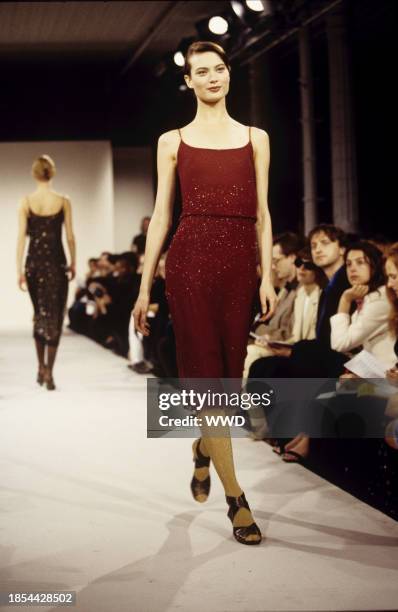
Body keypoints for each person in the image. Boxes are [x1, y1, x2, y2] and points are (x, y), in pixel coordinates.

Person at [133, 41, 276, 545]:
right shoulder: (172, 141)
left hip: (239, 265)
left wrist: (266, 274)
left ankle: (201, 447)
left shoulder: (256, 137)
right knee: (206, 382)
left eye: (219, 68)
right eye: (202, 71)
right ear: (188, 81)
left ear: (228, 74)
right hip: (190, 263)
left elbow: (262, 212)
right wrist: (145, 284)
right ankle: (237, 498)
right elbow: (161, 218)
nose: (213, 77)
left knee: (227, 387)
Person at [16, 154, 76, 390]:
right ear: (52, 172)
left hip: (33, 264)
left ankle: (40, 367)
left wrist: (19, 269)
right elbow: (70, 236)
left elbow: (21, 238)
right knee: (55, 317)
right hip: (56, 263)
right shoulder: (63, 201)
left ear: (34, 173)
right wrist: (74, 262)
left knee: (40, 315)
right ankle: (49, 371)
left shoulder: (26, 202)